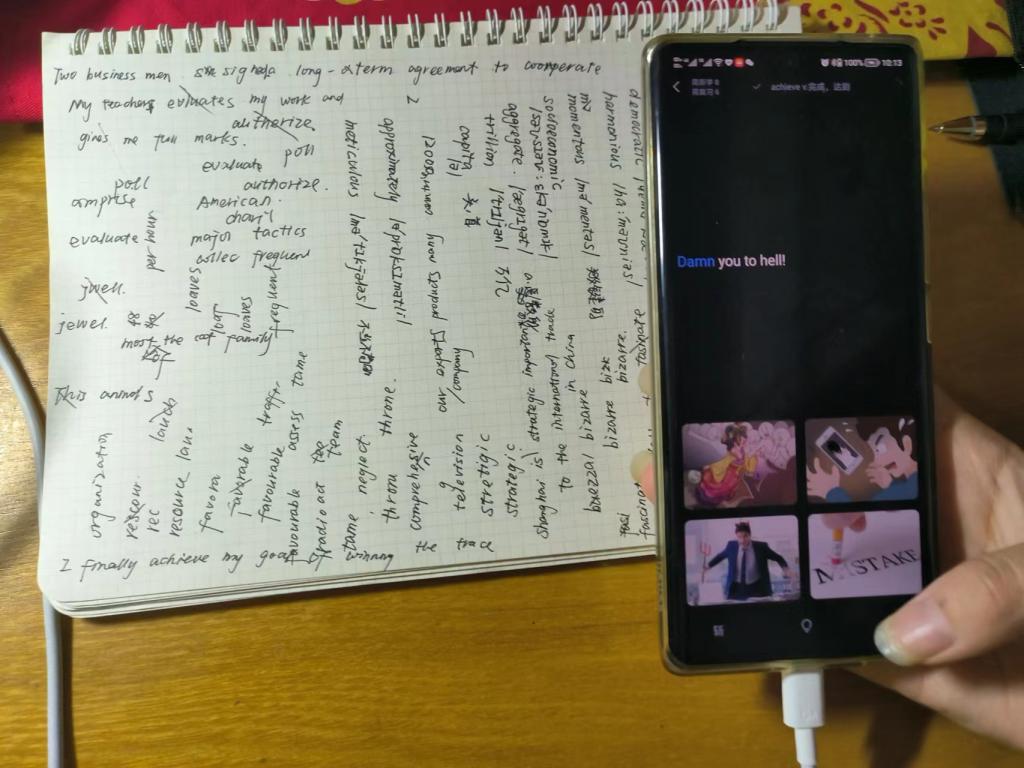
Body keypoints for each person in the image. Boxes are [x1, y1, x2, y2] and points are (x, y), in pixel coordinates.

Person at [632, 378, 1024, 750]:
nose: (744, 539)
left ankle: (836, 553)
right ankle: (834, 552)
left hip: (822, 540)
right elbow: (724, 553)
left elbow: (779, 551)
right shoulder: (736, 526)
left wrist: (798, 550)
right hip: (752, 582)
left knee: (839, 527)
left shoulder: (856, 484)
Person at [704, 521, 793, 599]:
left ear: (750, 535)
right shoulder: (731, 546)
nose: (742, 540)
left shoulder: (761, 547)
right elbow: (720, 556)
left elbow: (778, 557)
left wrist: (786, 569)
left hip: (757, 587)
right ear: (736, 536)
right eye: (739, 537)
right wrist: (708, 566)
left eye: (745, 536)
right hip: (736, 588)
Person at [694, 423, 759, 506]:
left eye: (744, 442)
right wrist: (734, 460)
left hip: (732, 480)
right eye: (739, 444)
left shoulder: (743, 452)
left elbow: (750, 470)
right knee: (710, 494)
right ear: (730, 445)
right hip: (717, 480)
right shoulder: (723, 456)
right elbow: (717, 477)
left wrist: (753, 455)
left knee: (728, 489)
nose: (743, 446)